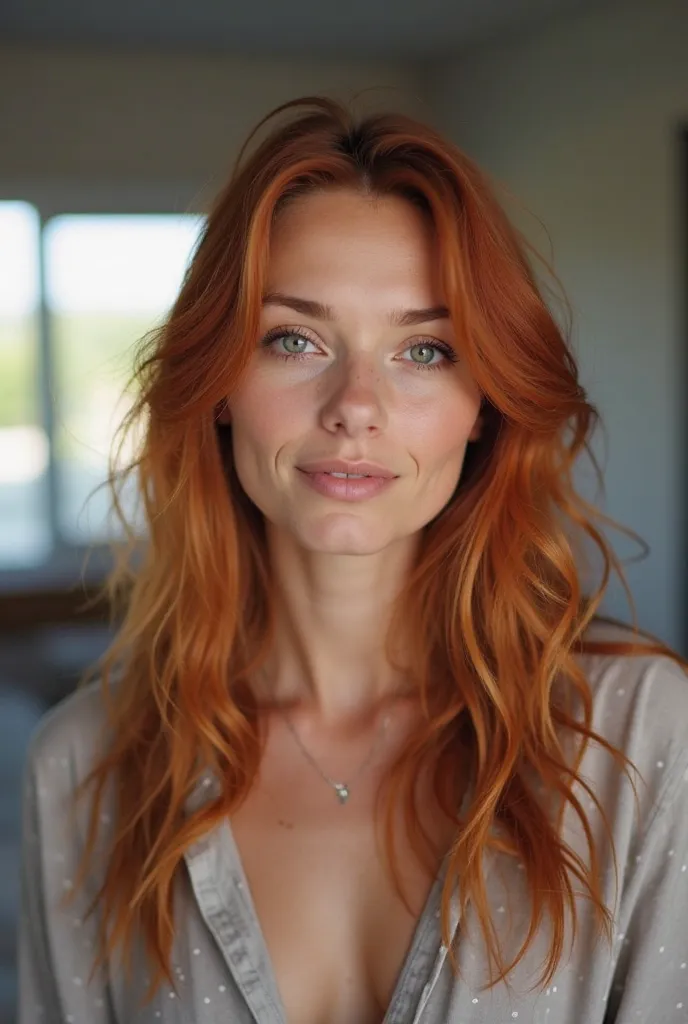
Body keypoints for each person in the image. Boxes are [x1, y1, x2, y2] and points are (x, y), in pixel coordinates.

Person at [16, 95, 688, 1024]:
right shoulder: (85, 769)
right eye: (295, 338)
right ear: (217, 385)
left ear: (484, 404)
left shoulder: (637, 736)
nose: (355, 404)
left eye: (424, 348)